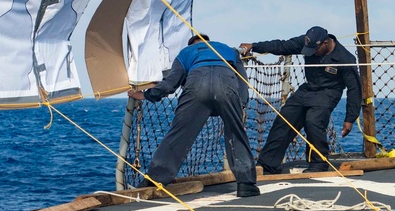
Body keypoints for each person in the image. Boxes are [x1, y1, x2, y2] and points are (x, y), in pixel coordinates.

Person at [127, 34, 260, 198]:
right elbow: (242, 82)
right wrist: (241, 105)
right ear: (208, 41)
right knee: (236, 132)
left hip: (196, 84)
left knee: (178, 134)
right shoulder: (229, 50)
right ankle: (246, 184)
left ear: (192, 44)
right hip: (226, 85)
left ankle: (155, 180)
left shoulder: (185, 52)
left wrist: (147, 95)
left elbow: (170, 83)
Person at [240, 26, 360, 174]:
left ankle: (319, 163)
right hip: (308, 88)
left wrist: (350, 118)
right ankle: (267, 164)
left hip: (328, 92)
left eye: (314, 50)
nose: (312, 53)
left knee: (313, 121)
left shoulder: (345, 58)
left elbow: (354, 89)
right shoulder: (306, 42)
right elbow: (282, 45)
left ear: (325, 43)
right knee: (285, 118)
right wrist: (255, 46)